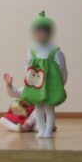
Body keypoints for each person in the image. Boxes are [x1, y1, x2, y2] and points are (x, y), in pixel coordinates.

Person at [18, 11, 67, 139]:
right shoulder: (32, 49)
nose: (41, 35)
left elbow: (62, 67)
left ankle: (48, 130)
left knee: (49, 108)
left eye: (44, 32)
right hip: (36, 84)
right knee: (38, 107)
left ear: (49, 33)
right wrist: (29, 80)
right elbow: (27, 64)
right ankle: (42, 129)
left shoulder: (54, 49)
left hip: (50, 84)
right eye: (38, 32)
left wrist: (61, 82)